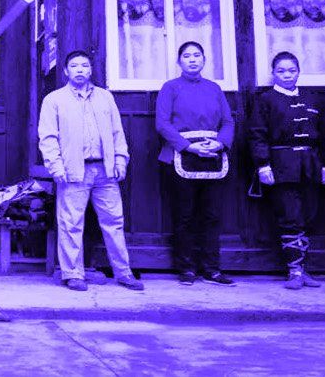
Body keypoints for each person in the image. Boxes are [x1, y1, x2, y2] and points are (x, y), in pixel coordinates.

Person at [38, 50, 142, 292]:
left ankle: (124, 272)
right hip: (73, 169)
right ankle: (73, 274)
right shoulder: (54, 100)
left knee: (114, 222)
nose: (80, 70)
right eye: (74, 66)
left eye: (84, 65)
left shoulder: (105, 97)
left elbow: (117, 132)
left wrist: (120, 160)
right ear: (66, 71)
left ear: (91, 70)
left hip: (105, 170)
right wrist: (56, 165)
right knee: (70, 222)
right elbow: (48, 136)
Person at [155, 41, 236, 287]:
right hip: (180, 157)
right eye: (187, 56)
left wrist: (220, 143)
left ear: (204, 60)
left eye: (197, 55)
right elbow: (162, 123)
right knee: (185, 215)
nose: (192, 59)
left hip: (212, 158)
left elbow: (228, 122)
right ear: (179, 62)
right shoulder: (170, 88)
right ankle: (187, 268)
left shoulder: (214, 88)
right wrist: (188, 146)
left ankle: (212, 268)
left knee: (211, 215)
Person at [247, 52, 325, 290]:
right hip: (282, 166)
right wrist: (263, 165)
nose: (287, 75)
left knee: (309, 214)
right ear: (273, 73)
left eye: (292, 70)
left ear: (299, 71)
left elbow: (322, 135)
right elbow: (257, 134)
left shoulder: (312, 99)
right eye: (281, 71)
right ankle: (295, 271)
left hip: (310, 165)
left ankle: (305, 269)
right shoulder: (265, 100)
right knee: (290, 216)